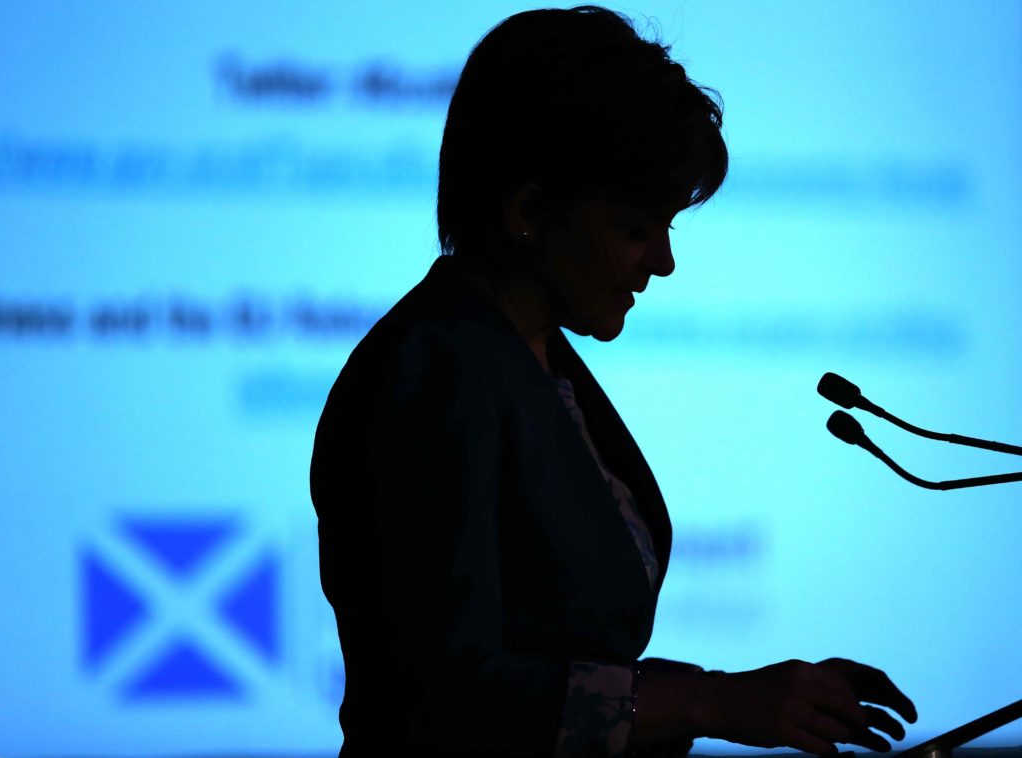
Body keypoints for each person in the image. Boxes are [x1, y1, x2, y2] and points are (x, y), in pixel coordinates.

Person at [310, 6, 917, 757]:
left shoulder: (535, 359)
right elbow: (447, 702)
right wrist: (708, 699)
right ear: (529, 210)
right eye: (637, 227)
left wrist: (745, 696)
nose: (662, 262)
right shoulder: (431, 370)